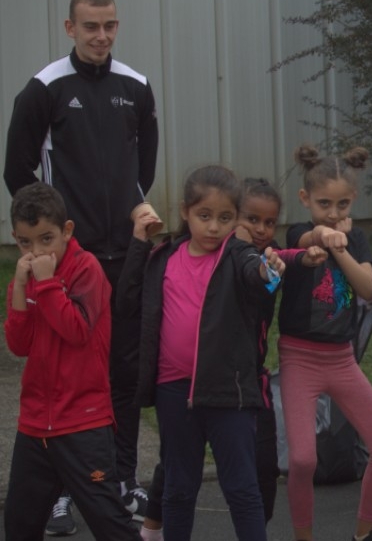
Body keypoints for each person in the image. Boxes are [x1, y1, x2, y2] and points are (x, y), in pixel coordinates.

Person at [4, 0, 159, 530]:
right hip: (67, 261)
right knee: (67, 367)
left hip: (124, 258)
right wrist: (54, 244)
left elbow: (144, 171)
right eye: (90, 26)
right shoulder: (44, 89)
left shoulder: (136, 87)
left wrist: (131, 222)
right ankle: (61, 489)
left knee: (121, 372)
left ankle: (119, 478)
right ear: (69, 28)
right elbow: (19, 176)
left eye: (110, 25)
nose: (101, 36)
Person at [116, 165, 286, 541]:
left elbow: (258, 281)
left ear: (235, 219)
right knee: (178, 488)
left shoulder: (239, 254)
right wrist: (139, 242)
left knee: (242, 489)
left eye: (224, 218)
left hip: (228, 391)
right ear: (184, 212)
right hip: (173, 391)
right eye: (204, 216)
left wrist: (270, 271)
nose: (213, 227)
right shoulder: (163, 257)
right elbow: (126, 300)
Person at [3, 182, 140, 540]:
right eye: (25, 242)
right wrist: (19, 289)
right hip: (35, 424)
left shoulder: (86, 268)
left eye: (46, 239)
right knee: (19, 525)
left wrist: (46, 285)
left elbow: (77, 330)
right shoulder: (27, 277)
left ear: (66, 231)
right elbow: (19, 345)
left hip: (83, 422)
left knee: (111, 525)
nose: (36, 252)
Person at [280, 146, 372, 541]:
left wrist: (341, 247)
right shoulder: (297, 233)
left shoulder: (357, 238)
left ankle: (363, 533)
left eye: (342, 203)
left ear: (354, 200)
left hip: (341, 360)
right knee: (301, 460)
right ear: (305, 199)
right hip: (299, 358)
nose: (333, 211)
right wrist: (324, 235)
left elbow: (369, 290)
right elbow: (309, 236)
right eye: (324, 203)